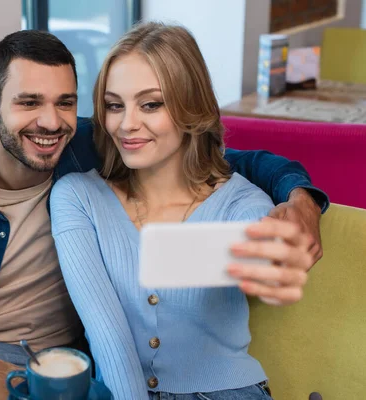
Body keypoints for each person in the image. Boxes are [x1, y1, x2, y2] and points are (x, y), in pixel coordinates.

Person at [0, 29, 328, 367]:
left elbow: (221, 156)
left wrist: (301, 197)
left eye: (65, 101)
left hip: (70, 363)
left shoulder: (90, 144)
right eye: (28, 102)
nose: (50, 121)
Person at [50, 22, 314, 399]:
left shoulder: (242, 204)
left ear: (190, 105)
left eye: (151, 104)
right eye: (113, 105)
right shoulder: (78, 197)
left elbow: (267, 261)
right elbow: (107, 334)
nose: (126, 124)